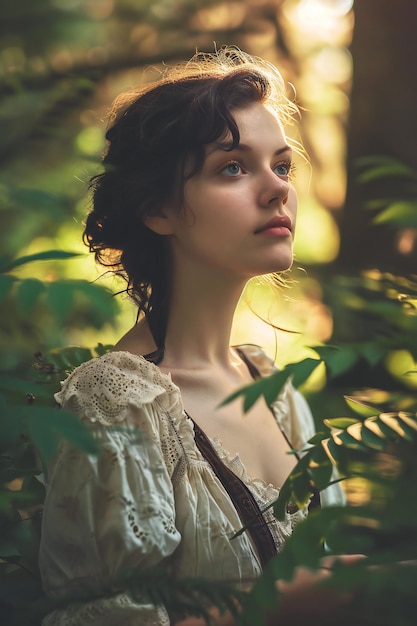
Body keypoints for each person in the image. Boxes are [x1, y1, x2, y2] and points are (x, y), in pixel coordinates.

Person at [39, 46, 346, 626]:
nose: (277, 188)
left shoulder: (276, 391)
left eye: (282, 166)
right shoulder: (117, 404)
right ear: (159, 209)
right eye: (233, 167)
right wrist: (275, 607)